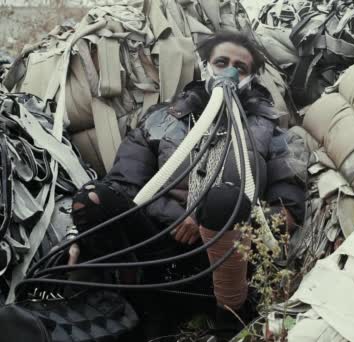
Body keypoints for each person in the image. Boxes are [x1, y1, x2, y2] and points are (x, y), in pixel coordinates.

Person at [70, 31, 305, 338]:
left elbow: (287, 211)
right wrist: (180, 218)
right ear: (205, 65)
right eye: (221, 62)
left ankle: (230, 317)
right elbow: (124, 186)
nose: (229, 72)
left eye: (240, 67)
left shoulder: (273, 133)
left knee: (221, 201)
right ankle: (139, 308)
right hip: (159, 246)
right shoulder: (160, 120)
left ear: (252, 78)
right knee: (92, 199)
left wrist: (213, 219)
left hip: (226, 257)